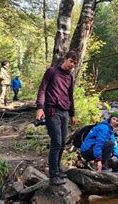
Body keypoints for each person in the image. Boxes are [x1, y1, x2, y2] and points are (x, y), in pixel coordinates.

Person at [36, 50, 78, 186]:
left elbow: (70, 96)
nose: (72, 65)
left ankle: (58, 169)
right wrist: (40, 108)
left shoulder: (70, 78)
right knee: (56, 142)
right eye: (71, 61)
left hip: (65, 112)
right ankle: (53, 175)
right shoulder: (52, 72)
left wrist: (72, 114)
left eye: (75, 63)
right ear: (65, 59)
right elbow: (42, 89)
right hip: (52, 110)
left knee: (62, 143)